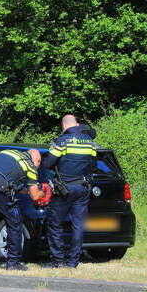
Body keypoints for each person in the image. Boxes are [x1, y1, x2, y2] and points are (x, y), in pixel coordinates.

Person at [41, 114, 98, 268]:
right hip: (83, 187)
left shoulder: (62, 141)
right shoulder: (90, 142)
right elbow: (93, 165)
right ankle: (73, 262)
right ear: (77, 124)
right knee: (78, 225)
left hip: (64, 188)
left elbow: (48, 164)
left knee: (55, 224)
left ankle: (58, 261)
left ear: (63, 126)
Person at [0, 148, 44, 270]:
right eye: (39, 164)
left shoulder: (8, 152)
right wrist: (43, 191)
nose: (38, 167)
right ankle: (13, 263)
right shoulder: (30, 167)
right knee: (14, 223)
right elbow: (35, 196)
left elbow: (9, 180)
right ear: (37, 161)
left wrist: (25, 190)